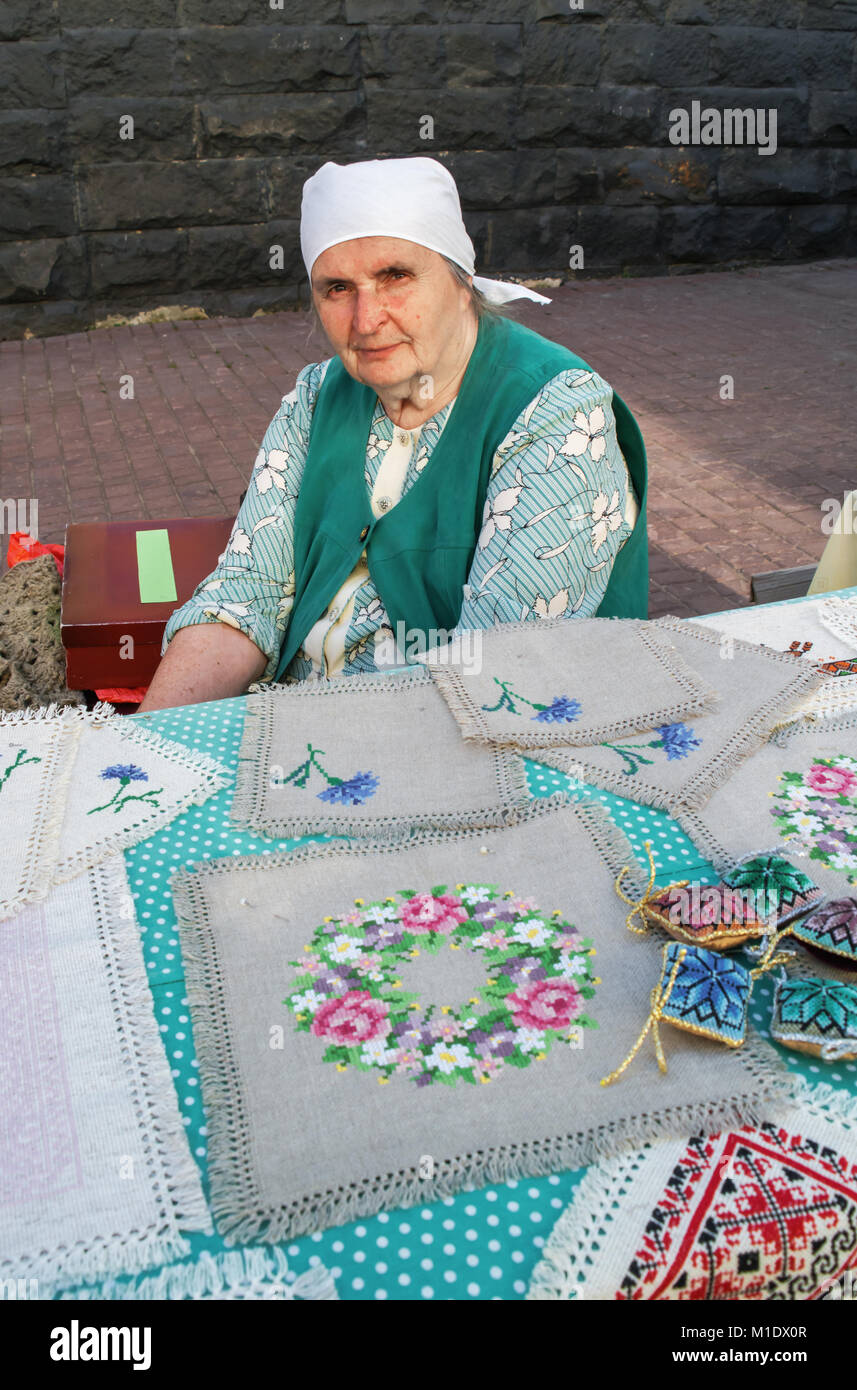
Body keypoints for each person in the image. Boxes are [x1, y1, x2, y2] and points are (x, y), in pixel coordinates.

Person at [140, 157, 647, 712]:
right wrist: (148, 741)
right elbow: (245, 595)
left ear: (461, 283)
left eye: (395, 277)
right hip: (293, 725)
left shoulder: (554, 409)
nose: (365, 319)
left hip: (453, 744)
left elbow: (501, 669)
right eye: (337, 288)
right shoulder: (317, 397)